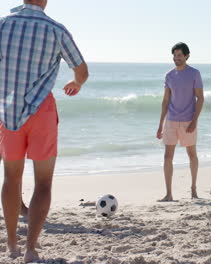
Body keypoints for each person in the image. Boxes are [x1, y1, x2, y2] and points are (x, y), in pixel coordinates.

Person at [0, 1, 89, 262]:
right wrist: (76, 83)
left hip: (8, 110)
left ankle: (12, 244)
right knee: (43, 183)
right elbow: (82, 71)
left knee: (11, 178)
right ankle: (30, 249)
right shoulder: (56, 29)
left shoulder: (3, 25)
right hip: (42, 112)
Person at [156, 42, 204, 201]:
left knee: (192, 155)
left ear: (186, 56)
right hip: (171, 120)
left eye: (179, 55)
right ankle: (168, 193)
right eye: (174, 55)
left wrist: (194, 120)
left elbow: (200, 98)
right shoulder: (169, 75)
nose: (176, 58)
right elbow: (165, 100)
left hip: (188, 120)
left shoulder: (194, 73)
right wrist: (160, 124)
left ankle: (194, 190)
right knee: (167, 156)